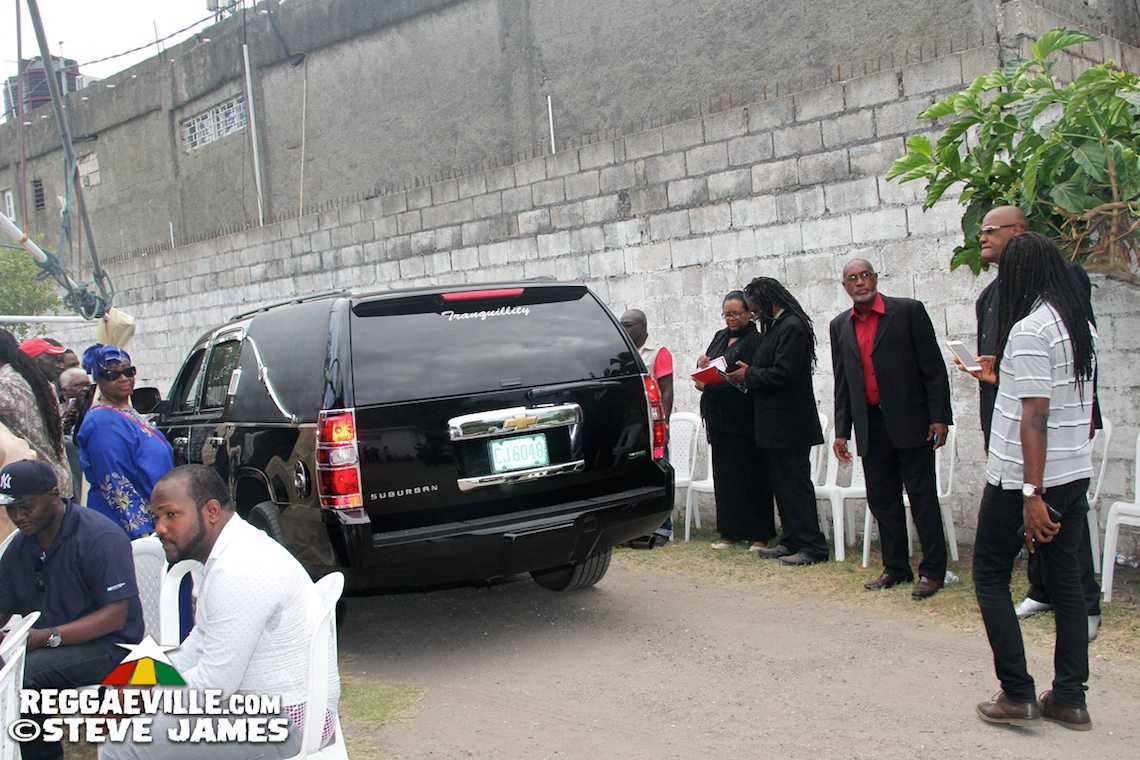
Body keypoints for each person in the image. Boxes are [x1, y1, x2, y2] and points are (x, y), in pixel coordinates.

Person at [104, 465, 338, 759]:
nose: (159, 527)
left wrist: (146, 698)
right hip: (259, 705)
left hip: (287, 717)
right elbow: (199, 641)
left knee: (123, 744)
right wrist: (146, 678)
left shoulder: (239, 568)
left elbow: (214, 686)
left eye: (171, 515)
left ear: (211, 511)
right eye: (156, 517)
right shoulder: (220, 555)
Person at [971, 232, 1097, 731]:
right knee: (1067, 585)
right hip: (1071, 472)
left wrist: (1031, 494)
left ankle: (1018, 694)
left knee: (989, 576)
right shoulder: (1078, 325)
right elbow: (1055, 397)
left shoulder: (1028, 329)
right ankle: (1069, 698)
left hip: (1022, 480)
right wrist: (998, 381)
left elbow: (1037, 419)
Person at [0, 459, 144, 760]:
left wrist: (49, 637)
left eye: (26, 507)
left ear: (54, 496)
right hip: (49, 645)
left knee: (23, 676)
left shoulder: (99, 537)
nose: (18, 516)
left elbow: (115, 615)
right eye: (10, 509)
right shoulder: (21, 545)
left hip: (112, 647)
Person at [830, 259, 952, 598]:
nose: (860, 282)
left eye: (865, 275)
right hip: (871, 425)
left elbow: (933, 368)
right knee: (882, 501)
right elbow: (843, 382)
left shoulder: (908, 312)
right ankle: (896, 568)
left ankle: (932, 571)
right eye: (852, 278)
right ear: (845, 287)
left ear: (876, 278)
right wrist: (843, 431)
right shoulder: (839, 326)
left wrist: (939, 416)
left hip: (911, 421)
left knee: (922, 498)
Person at [727, 277, 829, 565]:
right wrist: (750, 371)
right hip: (773, 424)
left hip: (790, 424)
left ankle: (813, 546)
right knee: (782, 486)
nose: (753, 312)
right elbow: (768, 368)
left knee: (796, 486)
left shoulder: (793, 327)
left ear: (768, 299)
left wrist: (749, 375)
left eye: (754, 306)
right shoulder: (774, 328)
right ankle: (791, 540)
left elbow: (784, 373)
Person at [695, 291, 773, 549]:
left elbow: (746, 377)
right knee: (726, 477)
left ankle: (758, 535)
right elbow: (711, 365)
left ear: (749, 312)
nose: (731, 319)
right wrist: (702, 365)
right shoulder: (720, 337)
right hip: (720, 419)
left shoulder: (756, 340)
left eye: (736, 313)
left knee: (752, 476)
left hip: (745, 419)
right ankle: (730, 532)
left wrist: (711, 386)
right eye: (727, 314)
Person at [76, 344, 173, 538]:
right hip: (126, 529)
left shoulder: (123, 411)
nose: (124, 379)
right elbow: (116, 482)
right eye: (112, 374)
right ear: (98, 379)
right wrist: (142, 532)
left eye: (129, 371)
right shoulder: (102, 422)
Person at [620, 308, 674, 543]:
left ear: (642, 326)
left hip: (654, 428)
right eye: (621, 324)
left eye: (629, 324)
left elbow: (666, 391)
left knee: (658, 475)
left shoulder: (658, 352)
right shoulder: (622, 352)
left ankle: (663, 528)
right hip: (631, 427)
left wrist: (664, 423)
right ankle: (636, 529)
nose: (624, 329)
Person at [0, 329, 72, 499]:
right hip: (59, 480)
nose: (58, 365)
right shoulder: (39, 382)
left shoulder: (5, 385)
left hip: (35, 489)